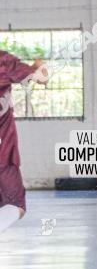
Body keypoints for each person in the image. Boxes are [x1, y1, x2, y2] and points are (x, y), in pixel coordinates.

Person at [0, 52, 47, 235]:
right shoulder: (4, 61)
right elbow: (41, 78)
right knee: (15, 205)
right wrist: (39, 65)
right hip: (2, 154)